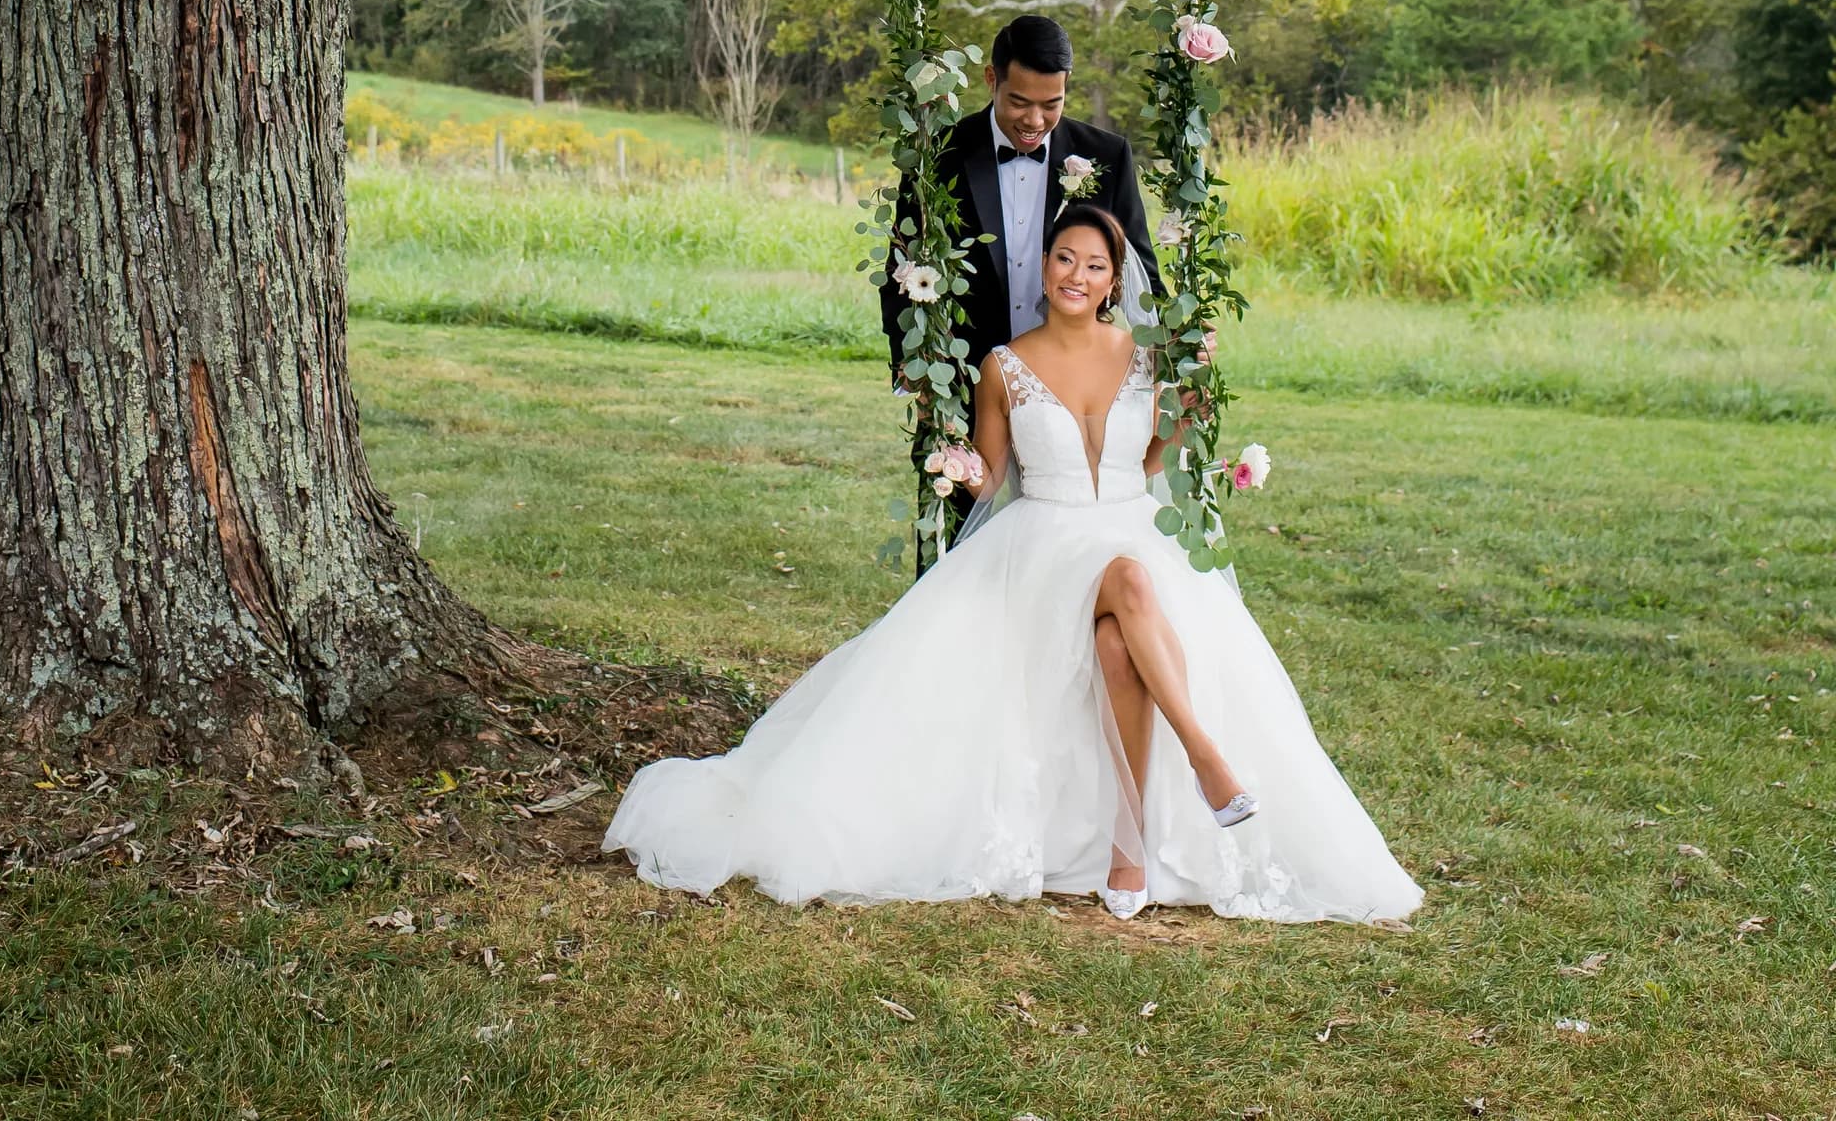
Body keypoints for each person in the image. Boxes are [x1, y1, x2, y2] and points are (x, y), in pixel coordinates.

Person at [607, 203, 1423, 923]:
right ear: (1046, 267)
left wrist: (1196, 403)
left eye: (1095, 265)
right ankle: (1207, 761)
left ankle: (1127, 850)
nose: (1077, 273)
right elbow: (994, 478)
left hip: (1131, 528)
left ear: (1114, 280)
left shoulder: (1145, 356)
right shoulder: (1005, 365)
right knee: (1129, 583)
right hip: (1042, 544)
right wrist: (956, 463)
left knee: (1119, 639)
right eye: (1065, 258)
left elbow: (1147, 468)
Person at [879, 12, 1163, 382]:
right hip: (962, 384)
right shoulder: (939, 156)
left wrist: (1178, 344)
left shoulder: (1107, 156)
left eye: (1050, 104)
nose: (1034, 121)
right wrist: (915, 371)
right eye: (1019, 102)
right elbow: (902, 267)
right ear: (991, 79)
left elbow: (1139, 268)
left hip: (1074, 387)